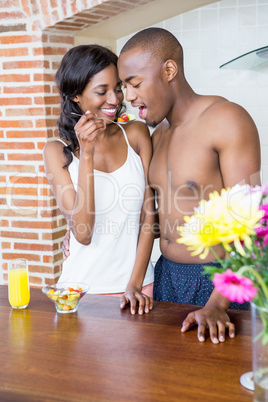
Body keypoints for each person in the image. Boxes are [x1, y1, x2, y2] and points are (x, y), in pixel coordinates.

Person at [117, 27, 261, 343]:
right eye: (124, 87)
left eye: (135, 84)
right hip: (166, 276)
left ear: (169, 70)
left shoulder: (226, 119)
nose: (128, 97)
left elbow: (252, 225)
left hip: (220, 284)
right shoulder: (157, 135)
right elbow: (150, 219)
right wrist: (135, 283)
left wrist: (217, 305)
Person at [43, 44, 155, 315]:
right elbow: (82, 233)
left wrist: (135, 284)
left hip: (138, 289)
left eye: (117, 88)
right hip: (81, 292)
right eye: (101, 91)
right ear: (76, 95)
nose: (115, 100)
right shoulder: (56, 151)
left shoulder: (137, 135)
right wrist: (88, 154)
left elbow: (149, 216)